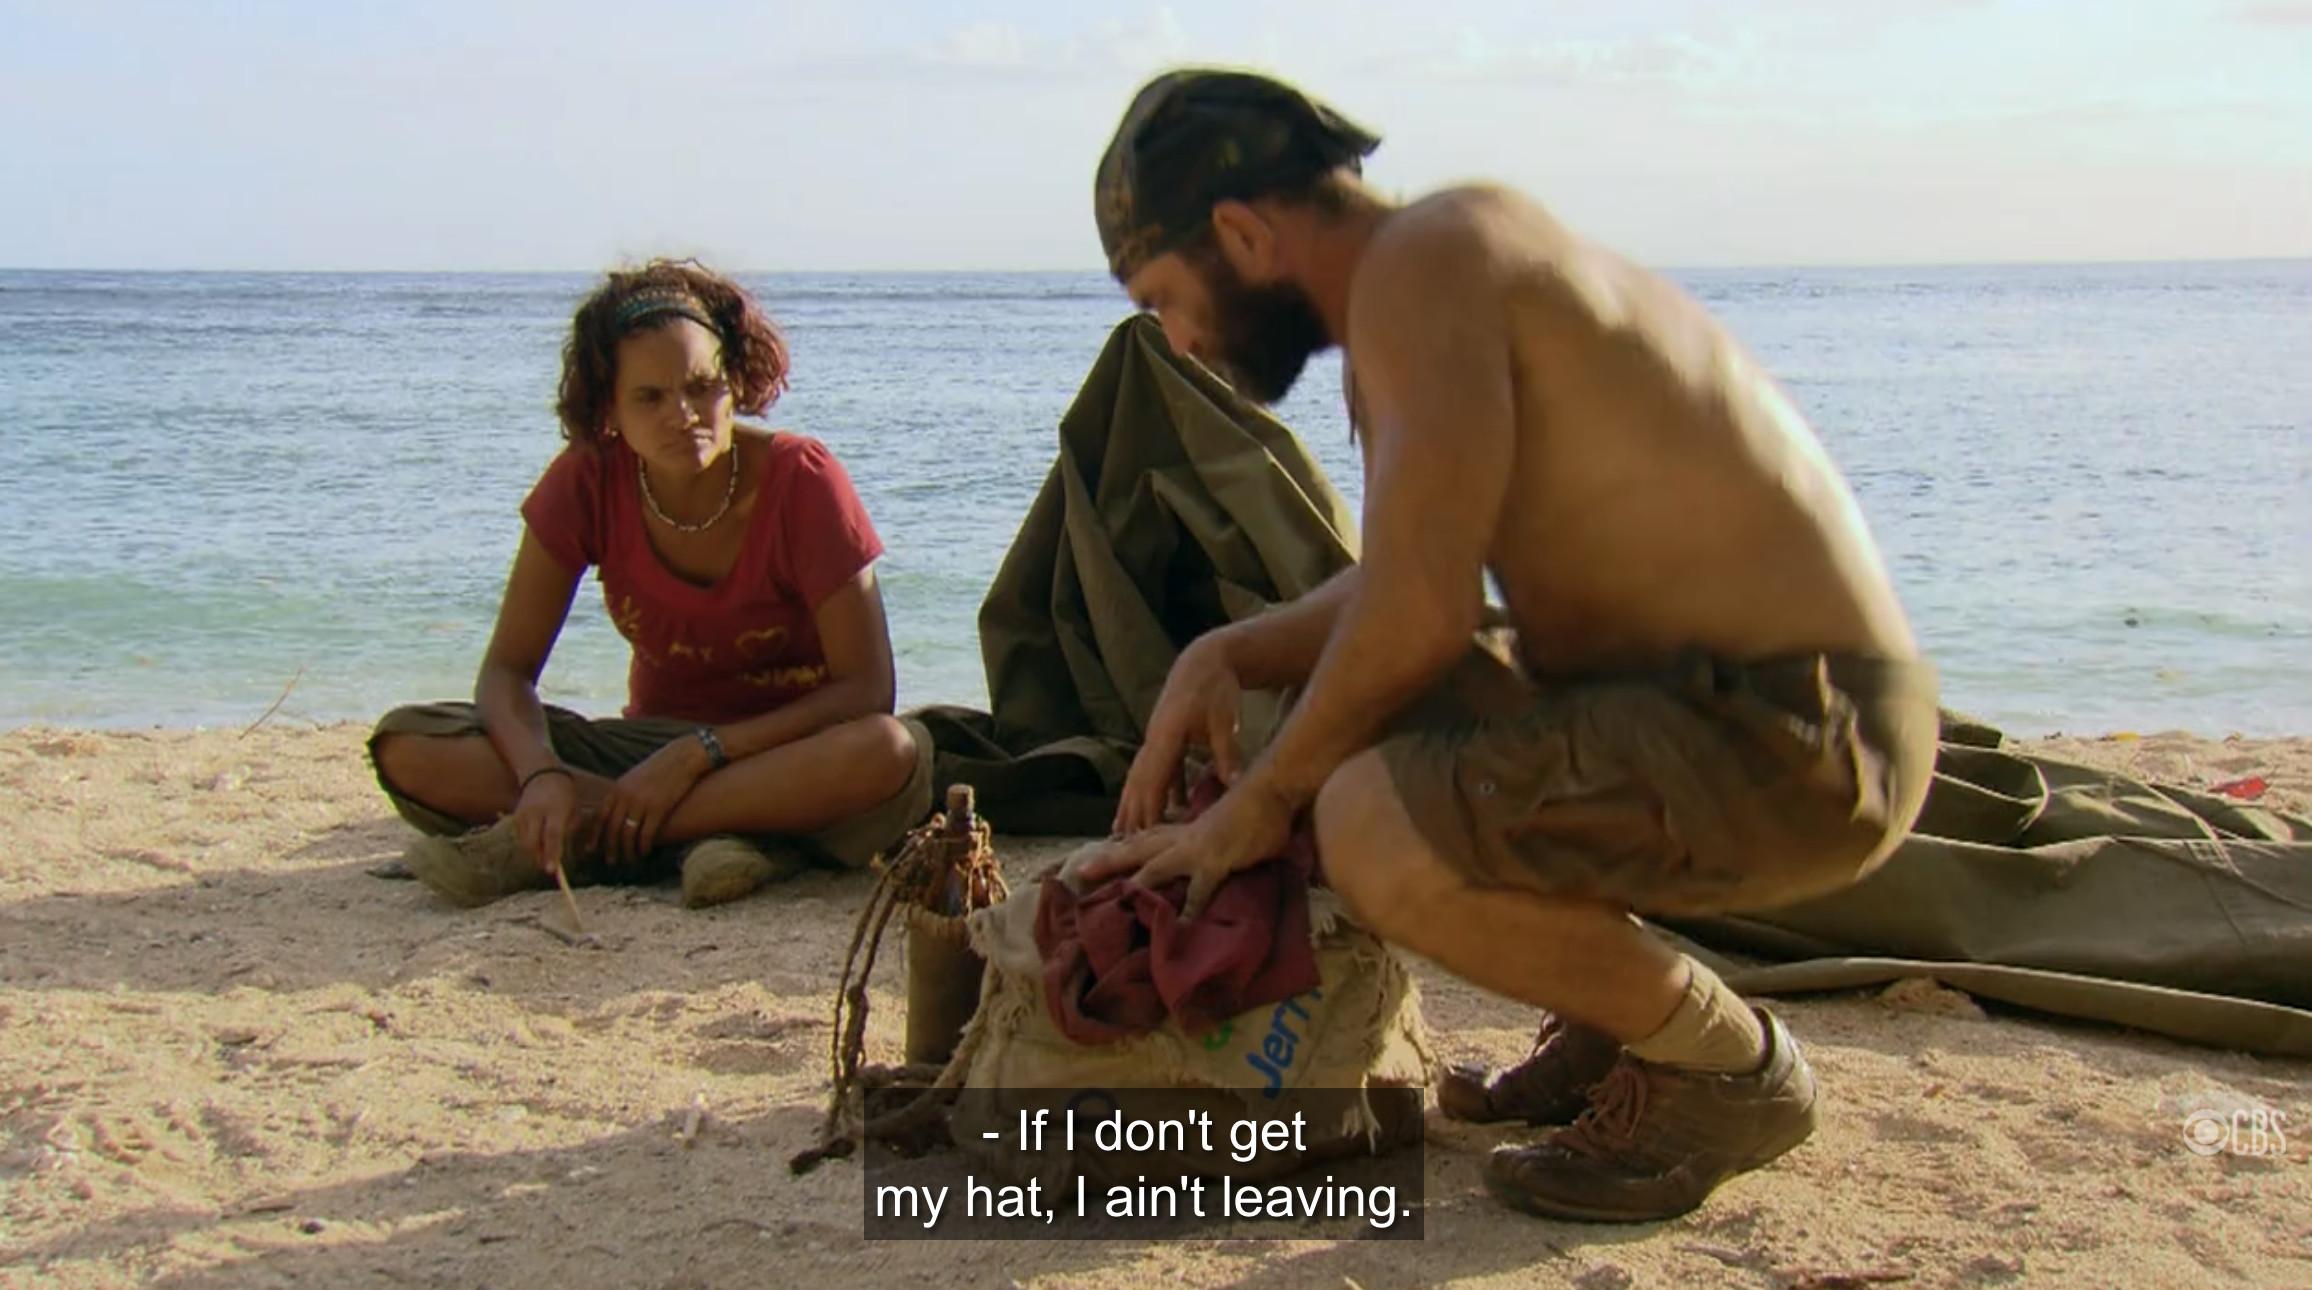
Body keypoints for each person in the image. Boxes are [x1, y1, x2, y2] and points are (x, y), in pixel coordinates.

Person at [1076, 69, 1939, 1222]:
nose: (1179, 343)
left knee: (1364, 816)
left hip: (1802, 735)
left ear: (1240, 234)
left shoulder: (1422, 267)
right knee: (1376, 716)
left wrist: (1262, 800)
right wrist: (1223, 654)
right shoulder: (1428, 266)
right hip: (1734, 713)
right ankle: (1613, 1022)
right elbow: (1406, 580)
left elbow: (1418, 611)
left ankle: (1728, 1069)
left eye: (1166, 301)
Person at [368, 260, 932, 910]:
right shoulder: (587, 482)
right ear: (608, 406)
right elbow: (507, 673)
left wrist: (698, 755)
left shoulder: (802, 480)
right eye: (650, 397)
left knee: (889, 751)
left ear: (735, 381)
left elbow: (867, 690)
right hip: (643, 750)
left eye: (702, 387)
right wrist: (541, 774)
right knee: (411, 746)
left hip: (788, 753)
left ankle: (602, 834)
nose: (683, 414)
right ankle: (709, 837)